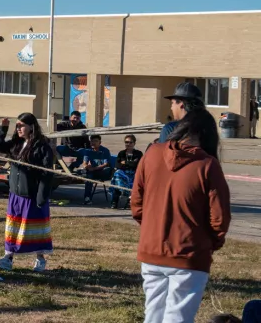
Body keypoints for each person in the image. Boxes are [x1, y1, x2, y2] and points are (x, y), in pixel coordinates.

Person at [132, 108, 231, 323]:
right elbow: (220, 216)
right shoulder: (207, 165)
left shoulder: (151, 154)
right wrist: (211, 243)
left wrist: (151, 228)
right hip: (189, 255)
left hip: (151, 250)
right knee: (178, 317)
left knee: (153, 315)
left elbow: (136, 203)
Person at [0, 113, 54, 272]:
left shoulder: (42, 146)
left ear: (31, 127)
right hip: (16, 194)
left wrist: (42, 196)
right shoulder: (16, 143)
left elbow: (47, 173)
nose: (18, 128)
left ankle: (40, 259)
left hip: (33, 196)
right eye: (17, 125)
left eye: (22, 125)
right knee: (13, 227)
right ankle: (8, 258)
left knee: (35, 229)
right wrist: (3, 129)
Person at [72, 135, 113, 205]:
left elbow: (106, 164)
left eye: (96, 141)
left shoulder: (105, 150)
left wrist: (94, 168)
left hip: (104, 171)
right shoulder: (88, 151)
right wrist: (86, 166)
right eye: (92, 141)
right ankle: (87, 198)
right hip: (93, 171)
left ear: (100, 142)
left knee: (102, 170)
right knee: (87, 175)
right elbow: (85, 162)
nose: (93, 143)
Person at [110, 134, 143, 210]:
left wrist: (126, 163)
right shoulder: (121, 153)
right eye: (126, 142)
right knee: (117, 174)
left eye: (130, 142)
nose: (128, 144)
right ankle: (115, 201)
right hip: (123, 173)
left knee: (133, 177)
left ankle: (130, 198)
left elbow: (137, 165)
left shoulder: (138, 153)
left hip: (134, 173)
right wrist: (130, 164)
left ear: (134, 143)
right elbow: (118, 165)